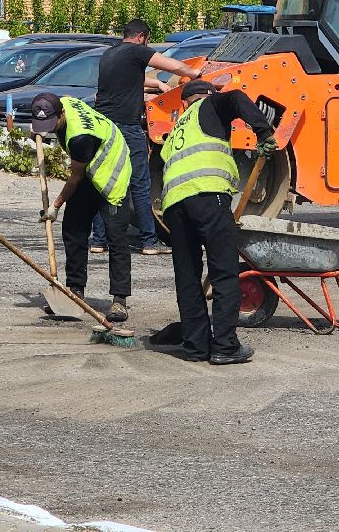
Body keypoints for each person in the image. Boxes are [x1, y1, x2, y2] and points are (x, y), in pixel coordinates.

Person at [160, 81, 276, 365]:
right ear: (206, 95)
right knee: (224, 271)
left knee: (188, 277)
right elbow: (235, 97)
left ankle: (196, 346)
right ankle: (225, 345)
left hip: (173, 205)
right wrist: (263, 131)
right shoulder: (209, 104)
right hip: (208, 195)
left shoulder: (176, 132)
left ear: (183, 104)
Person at [90, 19, 202, 255]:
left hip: (104, 126)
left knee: (105, 182)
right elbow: (173, 66)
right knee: (140, 184)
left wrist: (158, 85)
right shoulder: (136, 51)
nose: (148, 45)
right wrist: (194, 73)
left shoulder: (110, 54)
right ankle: (149, 242)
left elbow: (131, 79)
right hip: (127, 127)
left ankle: (98, 241)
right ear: (141, 37)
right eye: (148, 41)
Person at [31, 92, 134, 323]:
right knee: (73, 230)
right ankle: (75, 292)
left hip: (111, 172)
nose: (48, 129)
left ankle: (119, 300)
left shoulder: (80, 137)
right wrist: (38, 128)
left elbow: (75, 176)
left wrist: (55, 206)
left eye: (51, 124)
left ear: (62, 113)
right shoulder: (63, 101)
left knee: (116, 237)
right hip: (89, 168)